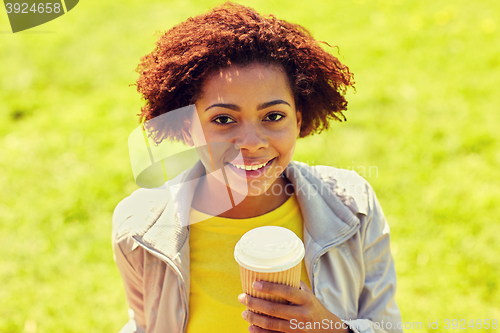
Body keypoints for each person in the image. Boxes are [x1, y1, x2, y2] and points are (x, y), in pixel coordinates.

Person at [112, 2, 403, 333]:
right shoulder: (140, 228)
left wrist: (330, 328)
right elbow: (144, 324)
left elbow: (387, 324)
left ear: (298, 119)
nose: (251, 142)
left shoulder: (353, 206)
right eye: (223, 119)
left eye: (273, 116)